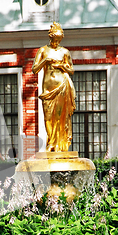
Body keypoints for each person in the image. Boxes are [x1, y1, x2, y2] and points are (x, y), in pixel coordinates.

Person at [32, 22, 75, 152]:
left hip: (62, 86)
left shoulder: (65, 52)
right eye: (54, 40)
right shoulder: (43, 50)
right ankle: (50, 141)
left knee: (59, 117)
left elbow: (71, 70)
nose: (56, 43)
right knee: (48, 117)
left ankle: (56, 145)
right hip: (48, 89)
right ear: (50, 38)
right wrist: (45, 61)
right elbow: (34, 69)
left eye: (59, 40)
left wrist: (62, 66)